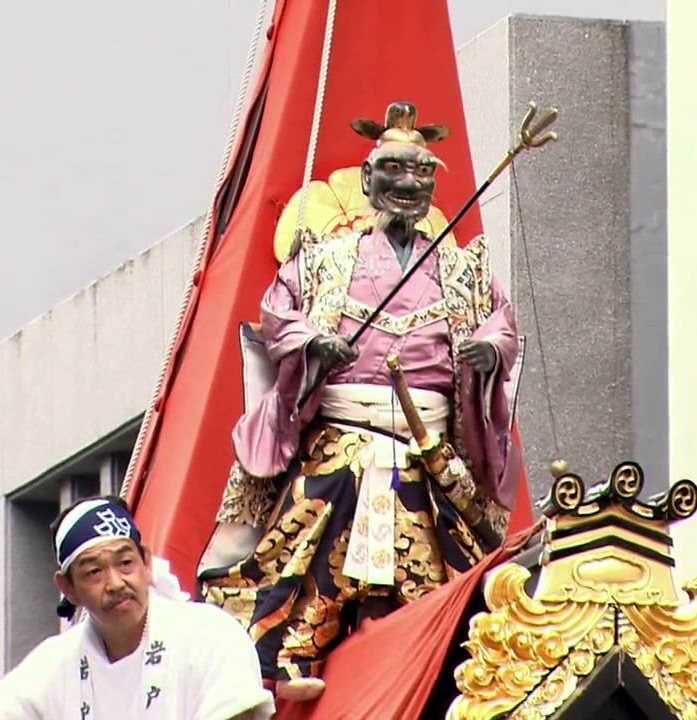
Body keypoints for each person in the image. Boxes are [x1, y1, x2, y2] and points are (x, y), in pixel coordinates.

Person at [197, 101, 523, 702]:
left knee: (441, 562)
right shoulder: (323, 260)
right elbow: (278, 315)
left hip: (427, 444)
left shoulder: (462, 268)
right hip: (342, 434)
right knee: (310, 541)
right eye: (394, 170)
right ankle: (292, 651)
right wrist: (315, 344)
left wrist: (486, 352)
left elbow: (503, 326)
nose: (408, 184)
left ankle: (435, 654)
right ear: (369, 181)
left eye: (422, 173)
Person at [0, 495, 276, 720]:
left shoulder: (211, 636)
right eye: (94, 572)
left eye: (125, 563)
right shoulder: (55, 663)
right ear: (68, 588)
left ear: (147, 563)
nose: (115, 583)